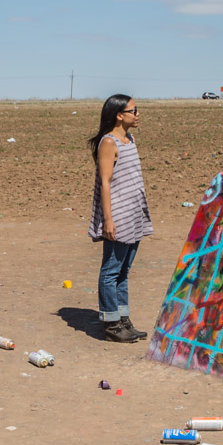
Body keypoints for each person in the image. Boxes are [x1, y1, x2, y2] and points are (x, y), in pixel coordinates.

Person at [88, 94, 152, 342]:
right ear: (119, 115)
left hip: (134, 213)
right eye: (134, 110)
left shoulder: (129, 139)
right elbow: (105, 182)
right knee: (111, 270)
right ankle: (111, 323)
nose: (138, 114)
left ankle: (123, 320)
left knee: (124, 271)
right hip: (118, 215)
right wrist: (108, 220)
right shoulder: (109, 143)